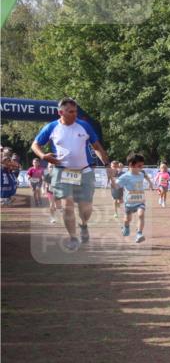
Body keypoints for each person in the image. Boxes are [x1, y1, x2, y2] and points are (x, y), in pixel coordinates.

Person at [30, 97, 113, 250]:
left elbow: (97, 147)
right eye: (70, 111)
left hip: (84, 171)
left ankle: (83, 225)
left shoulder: (84, 126)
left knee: (85, 208)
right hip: (62, 171)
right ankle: (73, 238)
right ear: (60, 112)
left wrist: (107, 165)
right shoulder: (51, 127)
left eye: (75, 111)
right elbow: (35, 144)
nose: (75, 114)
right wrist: (42, 156)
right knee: (67, 205)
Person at [114, 153, 155, 244]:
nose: (141, 168)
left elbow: (145, 175)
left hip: (140, 201)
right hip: (129, 202)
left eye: (142, 165)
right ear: (131, 165)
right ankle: (126, 227)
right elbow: (116, 185)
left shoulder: (141, 173)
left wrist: (150, 183)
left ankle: (139, 234)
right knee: (127, 219)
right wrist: (117, 193)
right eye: (139, 166)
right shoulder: (125, 176)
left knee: (141, 215)